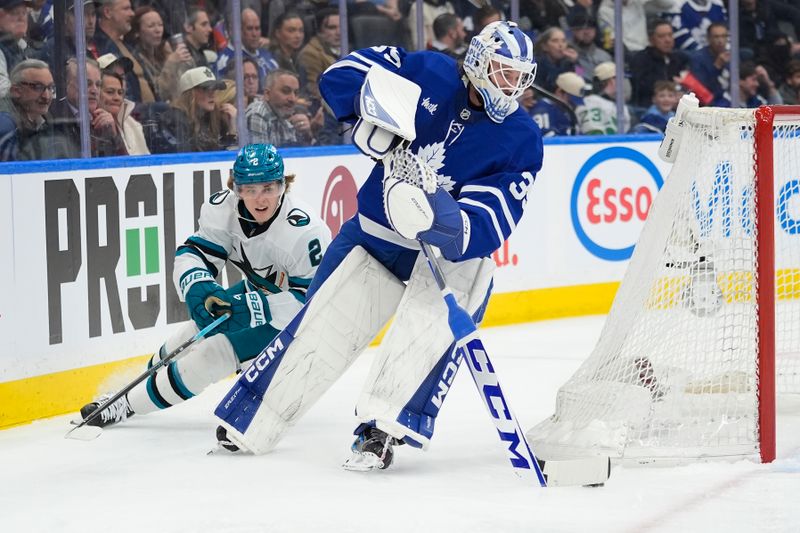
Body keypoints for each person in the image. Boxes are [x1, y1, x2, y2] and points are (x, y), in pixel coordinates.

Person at [213, 21, 543, 471]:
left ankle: (382, 430)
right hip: (372, 233)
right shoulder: (429, 71)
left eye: (519, 76)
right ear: (478, 60)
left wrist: (438, 217)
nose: (513, 85)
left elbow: (493, 218)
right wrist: (369, 116)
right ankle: (254, 412)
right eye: (503, 71)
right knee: (318, 326)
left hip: (441, 256)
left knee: (441, 316)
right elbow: (342, 74)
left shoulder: (521, 137)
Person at [78, 143, 332, 428]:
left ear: (283, 186)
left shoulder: (306, 233)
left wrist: (253, 309)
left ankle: (127, 404)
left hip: (291, 322)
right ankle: (125, 393)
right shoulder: (222, 209)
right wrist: (198, 285)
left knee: (212, 356)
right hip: (257, 293)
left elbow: (312, 303)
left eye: (268, 188)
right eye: (250, 189)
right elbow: (195, 254)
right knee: (189, 334)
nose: (260, 199)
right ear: (237, 189)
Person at [49, 57, 126, 157]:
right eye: (87, 83)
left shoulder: (102, 120)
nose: (94, 91)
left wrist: (114, 136)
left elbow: (123, 165)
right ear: (66, 84)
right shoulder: (52, 116)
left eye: (98, 85)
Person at [0, 58, 72, 160]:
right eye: (38, 87)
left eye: (50, 88)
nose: (46, 96)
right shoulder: (5, 126)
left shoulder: (45, 120)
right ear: (16, 91)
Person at [154, 66, 237, 153]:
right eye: (206, 89)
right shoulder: (173, 120)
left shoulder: (211, 119)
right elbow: (184, 159)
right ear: (190, 94)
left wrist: (232, 131)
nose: (212, 94)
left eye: (214, 88)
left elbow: (223, 159)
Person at [246, 68, 317, 147]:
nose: (292, 99)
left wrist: (307, 135)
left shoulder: (285, 116)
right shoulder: (258, 113)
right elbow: (260, 157)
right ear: (267, 94)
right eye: (285, 91)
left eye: (296, 93)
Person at [628, 19, 689, 109]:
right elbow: (643, 89)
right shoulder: (640, 59)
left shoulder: (679, 58)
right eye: (661, 36)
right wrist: (673, 89)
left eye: (670, 35)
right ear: (651, 40)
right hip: (648, 108)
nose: (667, 40)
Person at [215, 7, 278, 89]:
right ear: (237, 30)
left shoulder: (268, 56)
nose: (254, 34)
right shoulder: (225, 61)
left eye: (257, 28)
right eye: (249, 28)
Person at [99, 70, 149, 154]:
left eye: (120, 93)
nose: (117, 97)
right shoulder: (87, 126)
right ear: (97, 93)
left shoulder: (133, 125)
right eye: (110, 92)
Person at [577, 61, 631, 134]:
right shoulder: (591, 103)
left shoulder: (620, 104)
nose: (624, 82)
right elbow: (594, 135)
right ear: (612, 81)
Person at [298, 7, 339, 101]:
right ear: (320, 30)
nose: (339, 32)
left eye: (342, 27)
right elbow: (315, 90)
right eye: (332, 28)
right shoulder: (310, 54)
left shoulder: (347, 49)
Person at [531, 71, 586, 136]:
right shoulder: (542, 111)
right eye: (571, 100)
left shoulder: (565, 112)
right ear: (559, 92)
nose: (574, 105)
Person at [0, 0, 31, 97]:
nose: (21, 18)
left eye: (24, 12)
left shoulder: (22, 47)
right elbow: (2, 91)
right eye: (15, 13)